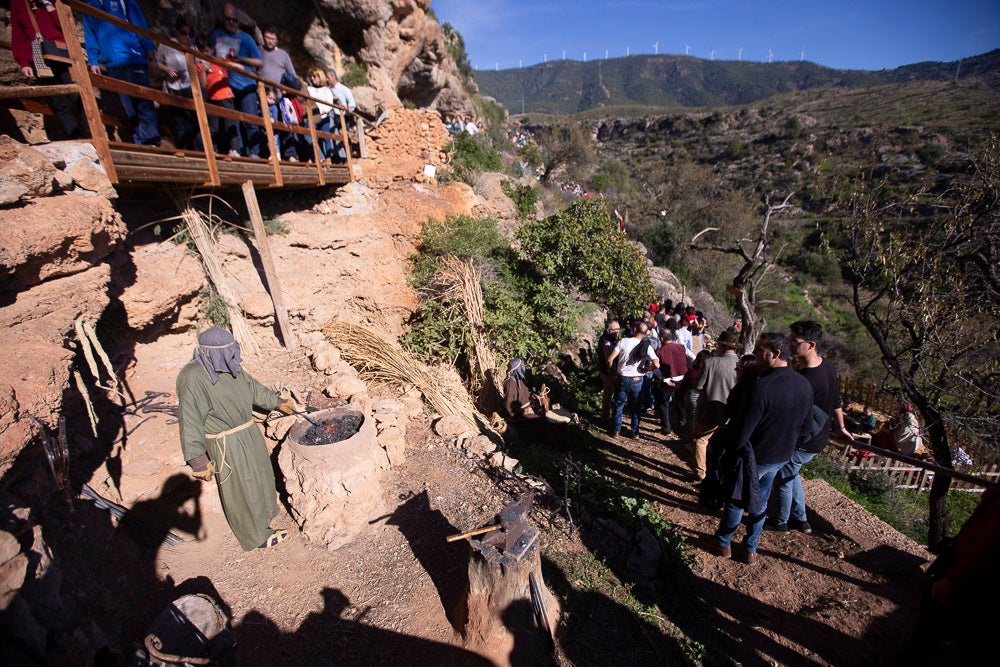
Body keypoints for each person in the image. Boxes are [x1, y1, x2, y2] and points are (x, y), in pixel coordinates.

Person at [176, 328, 295, 551]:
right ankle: (255, 536)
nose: (233, 355)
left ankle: (265, 516)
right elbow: (189, 418)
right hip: (226, 443)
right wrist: (198, 460)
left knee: (260, 475)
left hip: (247, 431)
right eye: (227, 351)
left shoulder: (231, 367)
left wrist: (278, 402)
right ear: (211, 353)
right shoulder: (194, 377)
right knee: (242, 487)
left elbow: (253, 388)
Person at [710, 333, 814, 565]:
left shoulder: (761, 388)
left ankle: (724, 542)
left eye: (760, 351)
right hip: (781, 456)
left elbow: (741, 432)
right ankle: (750, 548)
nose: (756, 355)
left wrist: (730, 452)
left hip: (753, 456)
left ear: (776, 354)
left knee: (737, 500)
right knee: (761, 502)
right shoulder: (804, 385)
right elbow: (807, 427)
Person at [768, 321, 854, 534]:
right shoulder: (827, 367)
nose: (790, 345)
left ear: (812, 344)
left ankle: (780, 522)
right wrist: (840, 426)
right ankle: (800, 519)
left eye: (795, 342)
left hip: (803, 440)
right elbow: (836, 400)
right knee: (792, 473)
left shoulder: (804, 380)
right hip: (818, 437)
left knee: (783, 478)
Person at [902, 484, 1000, 664]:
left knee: (935, 634)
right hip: (963, 564)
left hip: (969, 577)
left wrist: (954, 579)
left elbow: (992, 546)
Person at [83, 0, 161, 146]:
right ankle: (141, 141)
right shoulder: (89, 5)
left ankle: (152, 140)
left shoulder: (124, 1)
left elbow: (140, 26)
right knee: (128, 105)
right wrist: (93, 60)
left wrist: (151, 56)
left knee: (143, 101)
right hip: (112, 63)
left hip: (133, 57)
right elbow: (90, 35)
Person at [10, 0, 83, 139]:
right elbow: (18, 34)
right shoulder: (18, 3)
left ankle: (92, 132)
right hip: (38, 57)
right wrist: (23, 62)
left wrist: (48, 4)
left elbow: (66, 27)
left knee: (79, 95)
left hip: (62, 55)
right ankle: (76, 137)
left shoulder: (55, 2)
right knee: (58, 102)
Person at [211, 3, 264, 157]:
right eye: (228, 19)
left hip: (246, 85)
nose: (231, 23)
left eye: (234, 20)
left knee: (250, 120)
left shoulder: (246, 39)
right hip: (226, 84)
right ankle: (238, 150)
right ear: (223, 19)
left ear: (238, 20)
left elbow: (259, 62)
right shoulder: (216, 35)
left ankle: (254, 152)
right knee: (232, 121)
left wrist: (241, 59)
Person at [689, 328, 740, 480]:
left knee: (700, 440)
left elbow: (698, 385)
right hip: (731, 413)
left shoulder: (710, 362)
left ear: (722, 346)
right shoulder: (741, 363)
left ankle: (700, 472)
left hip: (709, 410)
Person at [607, 321, 660, 439]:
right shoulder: (647, 346)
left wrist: (613, 372)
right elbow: (657, 364)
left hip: (622, 378)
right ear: (646, 333)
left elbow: (610, 359)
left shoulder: (623, 341)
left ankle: (616, 430)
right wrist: (647, 369)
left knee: (619, 404)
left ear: (635, 329)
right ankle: (635, 432)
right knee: (636, 407)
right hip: (637, 379)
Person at [155, 18, 197, 150]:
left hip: (190, 87)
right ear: (177, 32)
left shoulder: (192, 48)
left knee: (194, 122)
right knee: (180, 123)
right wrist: (167, 69)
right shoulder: (166, 46)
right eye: (183, 33)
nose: (186, 37)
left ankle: (198, 151)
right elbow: (157, 63)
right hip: (174, 87)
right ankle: (187, 151)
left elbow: (200, 63)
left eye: (189, 34)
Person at [194, 36, 239, 156]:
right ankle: (211, 148)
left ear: (212, 49)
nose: (205, 54)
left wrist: (235, 63)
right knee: (213, 126)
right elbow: (203, 85)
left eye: (207, 51)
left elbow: (237, 67)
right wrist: (203, 71)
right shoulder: (199, 66)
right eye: (202, 51)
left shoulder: (219, 60)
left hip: (226, 94)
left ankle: (234, 149)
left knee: (230, 122)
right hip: (212, 97)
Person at [655, 326, 690, 435]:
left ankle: (666, 427)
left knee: (663, 402)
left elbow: (656, 368)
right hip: (682, 379)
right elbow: (692, 357)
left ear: (661, 339)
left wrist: (663, 378)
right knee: (680, 401)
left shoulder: (660, 351)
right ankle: (681, 424)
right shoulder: (681, 347)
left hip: (669, 380)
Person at [305, 66, 335, 160]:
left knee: (326, 138)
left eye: (315, 76)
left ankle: (329, 158)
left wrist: (323, 111)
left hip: (324, 116)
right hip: (313, 116)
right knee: (312, 138)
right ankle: (319, 157)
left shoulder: (326, 90)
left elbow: (329, 103)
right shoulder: (309, 89)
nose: (312, 78)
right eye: (311, 77)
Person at [326, 69, 356, 162]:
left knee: (344, 136)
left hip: (343, 116)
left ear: (333, 77)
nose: (327, 79)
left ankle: (348, 158)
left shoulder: (343, 89)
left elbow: (352, 104)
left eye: (328, 77)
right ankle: (338, 158)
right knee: (334, 136)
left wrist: (346, 108)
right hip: (333, 116)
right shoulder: (328, 90)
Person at [597, 320, 621, 425]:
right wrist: (613, 373)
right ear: (608, 330)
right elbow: (608, 359)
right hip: (608, 373)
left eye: (619, 329)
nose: (618, 331)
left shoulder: (611, 338)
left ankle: (605, 418)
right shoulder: (606, 341)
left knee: (607, 395)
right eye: (615, 329)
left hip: (606, 372)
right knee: (617, 397)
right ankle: (615, 423)